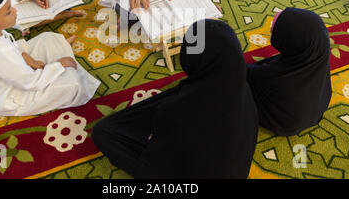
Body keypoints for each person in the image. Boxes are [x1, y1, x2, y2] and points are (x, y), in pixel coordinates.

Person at [91, 19, 258, 178]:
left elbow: (159, 154)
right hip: (235, 171)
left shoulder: (175, 109)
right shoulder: (245, 90)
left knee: (103, 131)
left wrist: (157, 134)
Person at [0, 0, 100, 117]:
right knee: (73, 83)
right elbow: (30, 83)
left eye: (10, 6)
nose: (14, 11)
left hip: (14, 70)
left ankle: (61, 52)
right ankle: (64, 58)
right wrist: (59, 65)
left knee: (47, 38)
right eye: (8, 12)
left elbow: (10, 48)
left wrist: (27, 57)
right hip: (11, 96)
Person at [246, 7, 332, 136]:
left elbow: (244, 71)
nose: (271, 31)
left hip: (282, 122)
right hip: (314, 111)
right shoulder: (317, 55)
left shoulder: (270, 76)